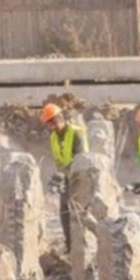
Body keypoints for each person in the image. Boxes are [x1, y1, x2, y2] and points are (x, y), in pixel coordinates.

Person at [42, 103, 86, 243]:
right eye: (48, 125)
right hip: (67, 177)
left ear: (58, 119)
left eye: (50, 123)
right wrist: (59, 176)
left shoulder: (76, 133)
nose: (49, 127)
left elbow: (81, 159)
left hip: (81, 178)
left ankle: (82, 245)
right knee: (64, 211)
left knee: (79, 211)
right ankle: (69, 245)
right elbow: (59, 160)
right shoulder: (54, 137)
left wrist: (65, 172)